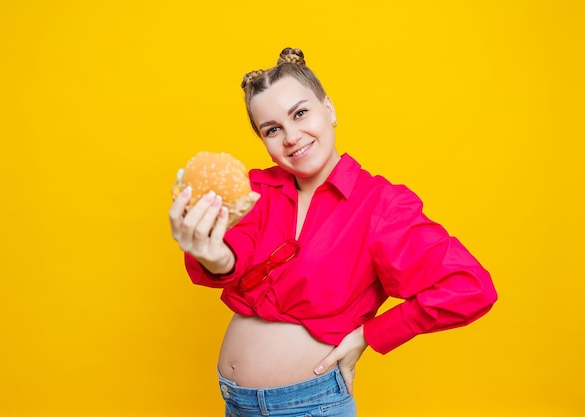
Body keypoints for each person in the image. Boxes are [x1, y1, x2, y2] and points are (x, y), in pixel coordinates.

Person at [169, 47, 497, 417]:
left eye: (301, 113)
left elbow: (470, 287)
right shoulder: (255, 191)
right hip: (236, 404)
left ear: (330, 108)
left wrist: (369, 335)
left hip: (310, 405)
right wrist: (211, 255)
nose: (291, 136)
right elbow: (232, 256)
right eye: (273, 129)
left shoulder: (381, 205)